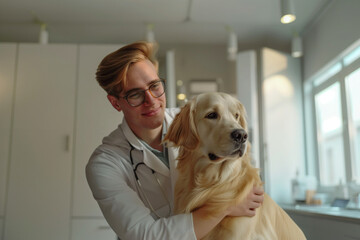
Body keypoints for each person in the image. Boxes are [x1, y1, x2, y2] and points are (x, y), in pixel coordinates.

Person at [86, 41, 264, 240]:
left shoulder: (194, 122)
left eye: (154, 86)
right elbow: (145, 235)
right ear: (115, 103)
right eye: (135, 94)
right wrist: (226, 206)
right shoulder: (105, 163)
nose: (152, 100)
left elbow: (240, 171)